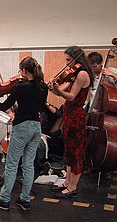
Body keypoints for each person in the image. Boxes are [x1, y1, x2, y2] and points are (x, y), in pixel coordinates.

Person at [0, 56, 48, 211]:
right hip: (36, 128)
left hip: (22, 127)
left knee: (12, 164)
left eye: (20, 70)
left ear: (24, 71)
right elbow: (38, 106)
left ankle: (5, 199)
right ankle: (25, 200)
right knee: (28, 165)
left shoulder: (21, 88)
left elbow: (4, 105)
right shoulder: (43, 87)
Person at [48, 46, 94, 198]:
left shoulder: (82, 74)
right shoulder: (74, 74)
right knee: (68, 151)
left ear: (76, 59)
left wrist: (58, 90)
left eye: (68, 60)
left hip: (76, 116)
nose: (67, 64)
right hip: (69, 115)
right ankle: (67, 183)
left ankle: (72, 187)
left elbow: (71, 96)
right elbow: (61, 91)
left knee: (75, 152)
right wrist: (53, 87)